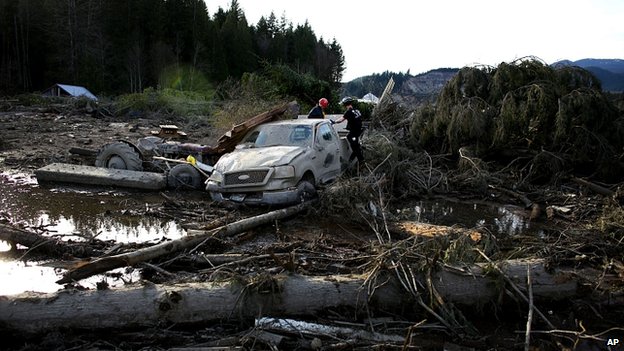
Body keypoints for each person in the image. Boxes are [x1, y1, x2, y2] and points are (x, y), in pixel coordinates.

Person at [332, 97, 364, 163]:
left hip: (354, 131)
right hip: (359, 130)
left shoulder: (348, 112)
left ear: (345, 104)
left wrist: (334, 122)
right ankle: (353, 158)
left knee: (354, 145)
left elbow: (341, 120)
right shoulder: (357, 110)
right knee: (355, 145)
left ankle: (361, 160)